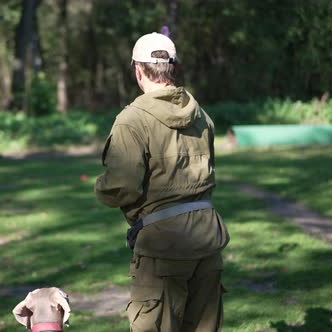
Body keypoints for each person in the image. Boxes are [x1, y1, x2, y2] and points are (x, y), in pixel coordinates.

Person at [94, 32, 230, 332]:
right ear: (173, 68)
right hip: (207, 238)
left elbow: (122, 186)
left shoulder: (132, 120)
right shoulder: (202, 117)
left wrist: (100, 187)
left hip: (163, 246)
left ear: (138, 70)